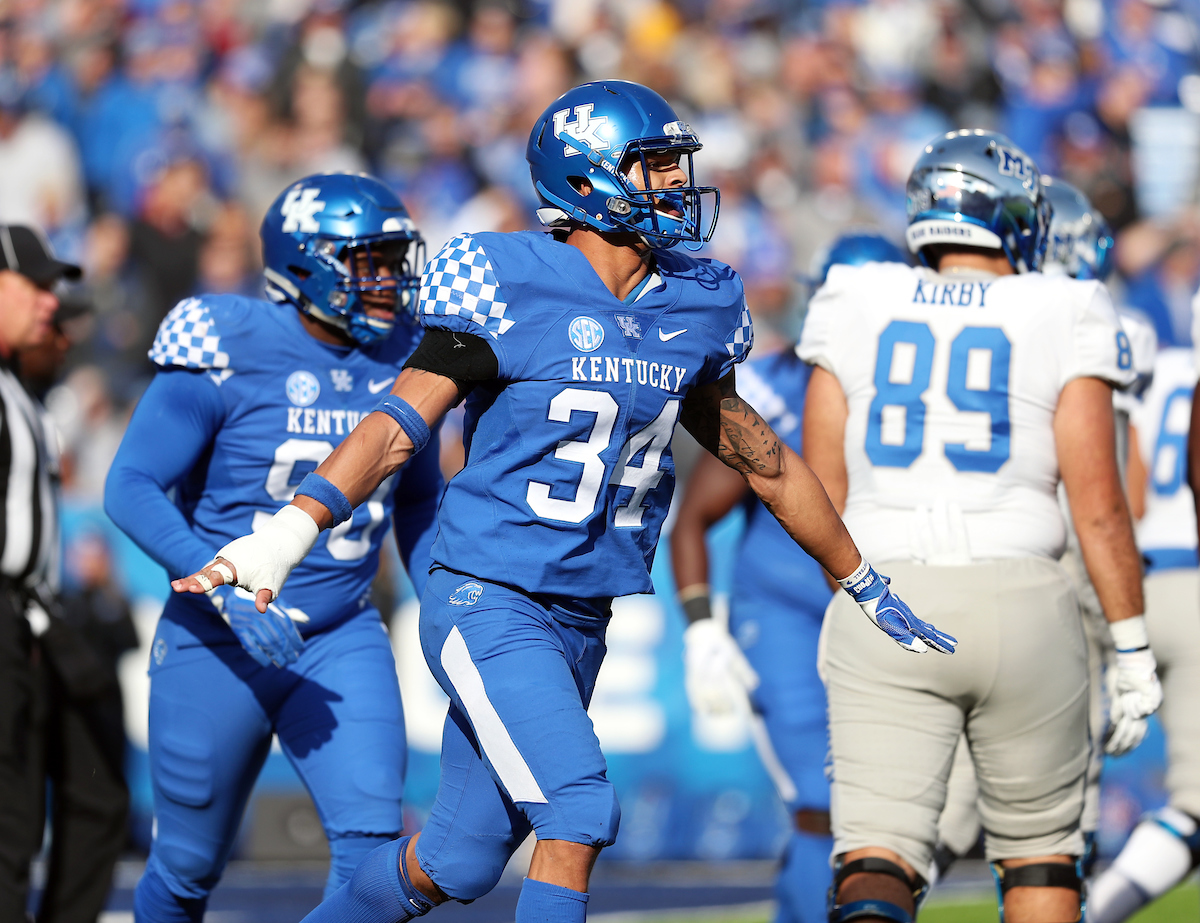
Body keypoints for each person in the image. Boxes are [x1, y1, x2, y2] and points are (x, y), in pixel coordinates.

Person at [172, 80, 956, 923]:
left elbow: (763, 459)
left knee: (458, 858)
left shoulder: (693, 299)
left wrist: (860, 577)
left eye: (673, 167)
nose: (674, 186)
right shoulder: (507, 279)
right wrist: (293, 529)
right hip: (488, 593)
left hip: (583, 612)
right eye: (652, 167)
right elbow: (398, 426)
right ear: (585, 180)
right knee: (579, 811)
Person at [799, 130, 1159, 923]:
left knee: (876, 856)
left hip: (884, 582)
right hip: (1023, 591)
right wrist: (1131, 648)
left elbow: (820, 488)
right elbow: (1098, 505)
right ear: (1015, 215)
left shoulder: (854, 298)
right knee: (1041, 857)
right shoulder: (1066, 305)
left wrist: (857, 598)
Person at [102, 173, 442, 923]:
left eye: (393, 259)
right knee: (187, 867)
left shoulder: (411, 349)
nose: (387, 280)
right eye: (367, 261)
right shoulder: (227, 338)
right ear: (307, 263)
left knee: (373, 851)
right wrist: (222, 590)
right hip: (214, 638)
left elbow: (418, 495)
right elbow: (130, 485)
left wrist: (446, 604)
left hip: (340, 630)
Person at [927, 176, 1159, 888]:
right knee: (1056, 808)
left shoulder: (962, 311)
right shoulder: (1084, 319)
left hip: (958, 556)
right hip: (1057, 568)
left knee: (939, 801)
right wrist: (1128, 639)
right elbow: (1118, 493)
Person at [670, 231, 908, 923]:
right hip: (786, 612)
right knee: (819, 801)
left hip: (877, 607)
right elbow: (697, 516)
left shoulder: (919, 397)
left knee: (895, 816)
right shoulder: (777, 388)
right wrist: (701, 627)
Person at [1087, 295, 1200, 921]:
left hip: (1108, 577)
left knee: (1045, 801)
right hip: (1187, 577)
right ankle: (1100, 909)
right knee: (1195, 804)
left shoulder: (1110, 364)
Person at [0, 225, 82, 923]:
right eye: (35, 285)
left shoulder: (18, 387)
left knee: (22, 817)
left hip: (27, 614)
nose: (49, 303)